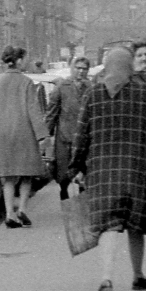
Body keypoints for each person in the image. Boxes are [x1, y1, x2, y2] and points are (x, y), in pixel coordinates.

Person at [70, 47, 146, 291]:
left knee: (108, 225)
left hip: (102, 171)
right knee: (136, 224)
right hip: (137, 170)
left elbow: (82, 134)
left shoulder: (94, 94)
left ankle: (106, 278)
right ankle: (138, 275)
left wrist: (76, 166)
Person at [0, 46, 47, 228]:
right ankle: (22, 209)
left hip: (2, 136)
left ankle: (9, 215)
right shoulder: (27, 83)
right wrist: (42, 136)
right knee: (27, 175)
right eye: (24, 59)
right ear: (19, 61)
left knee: (8, 177)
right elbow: (33, 111)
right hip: (24, 134)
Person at [45, 56, 91, 200]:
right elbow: (52, 113)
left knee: (85, 172)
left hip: (84, 139)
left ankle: (82, 199)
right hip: (65, 138)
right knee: (63, 173)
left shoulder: (91, 88)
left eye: (84, 69)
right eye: (78, 68)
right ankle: (63, 192)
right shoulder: (62, 87)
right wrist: (45, 135)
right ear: (72, 68)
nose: (80, 72)